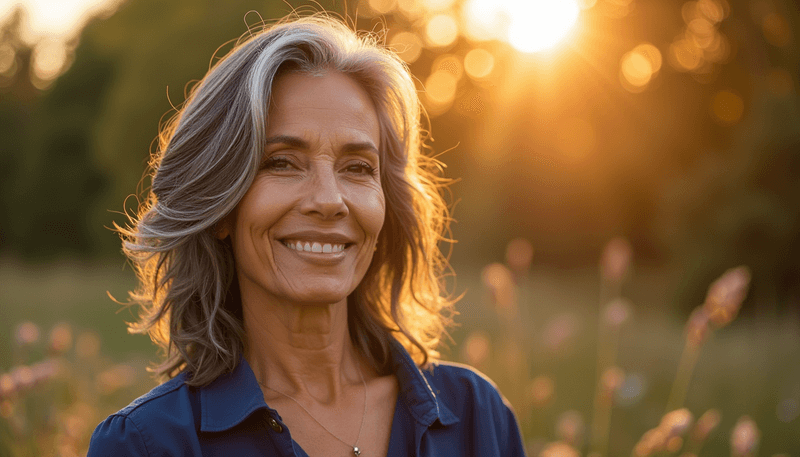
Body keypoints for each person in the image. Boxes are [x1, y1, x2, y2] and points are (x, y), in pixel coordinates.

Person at [87, 14, 526, 457]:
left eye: (357, 168)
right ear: (220, 206)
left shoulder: (477, 418)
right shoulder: (146, 443)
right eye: (282, 162)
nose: (329, 200)